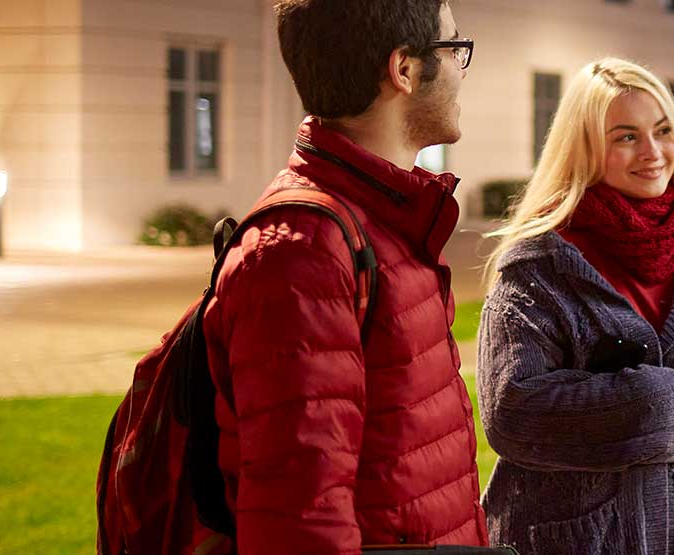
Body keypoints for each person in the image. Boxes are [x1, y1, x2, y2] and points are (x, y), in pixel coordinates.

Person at [199, 0, 483, 550]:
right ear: (404, 70)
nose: (460, 70)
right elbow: (297, 519)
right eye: (454, 49)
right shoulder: (301, 253)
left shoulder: (387, 217)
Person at [477, 58, 674, 555]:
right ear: (583, 148)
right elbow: (512, 414)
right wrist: (663, 407)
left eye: (663, 130)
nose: (653, 152)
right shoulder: (539, 265)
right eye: (626, 137)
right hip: (570, 539)